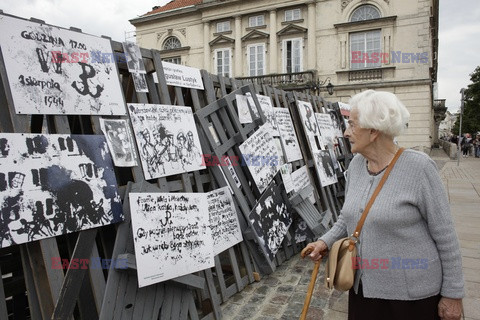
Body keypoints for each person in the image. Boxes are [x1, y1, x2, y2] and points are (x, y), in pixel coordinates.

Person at [304, 90, 464, 320]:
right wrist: (324, 242)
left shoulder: (419, 168)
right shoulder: (357, 166)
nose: (346, 132)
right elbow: (348, 218)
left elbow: (446, 235)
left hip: (411, 297)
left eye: (351, 125)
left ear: (373, 131)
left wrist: (453, 294)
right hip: (364, 291)